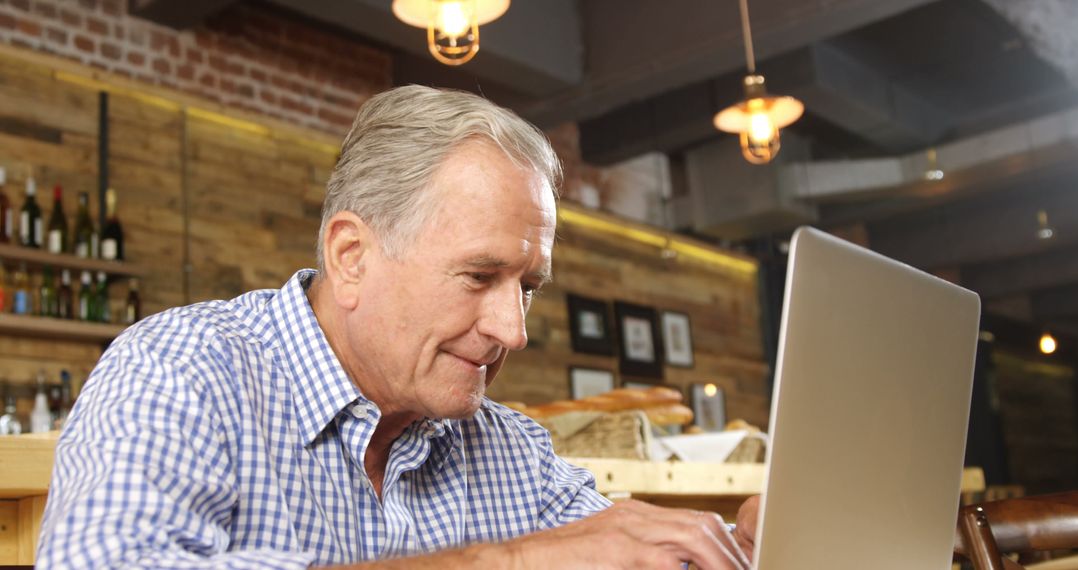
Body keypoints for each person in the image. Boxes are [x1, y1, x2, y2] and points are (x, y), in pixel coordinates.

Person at [37, 85, 757, 569]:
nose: (513, 329)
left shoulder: (508, 449)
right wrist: (511, 560)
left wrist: (738, 549)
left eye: (527, 288)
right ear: (351, 257)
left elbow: (612, 551)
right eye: (479, 277)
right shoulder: (181, 371)